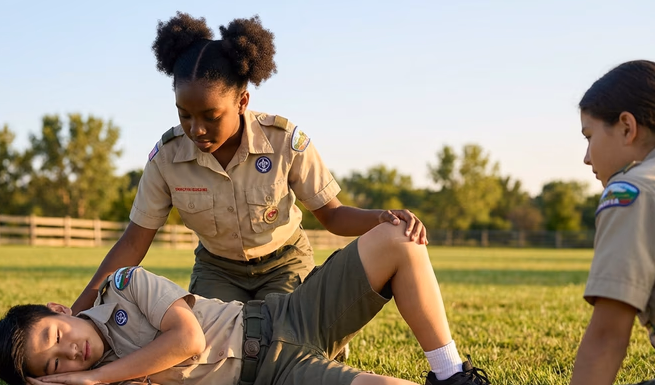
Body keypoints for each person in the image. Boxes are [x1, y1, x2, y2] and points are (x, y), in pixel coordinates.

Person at [0, 223, 564, 385]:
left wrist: (95, 379)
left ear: (62, 310)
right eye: (55, 365)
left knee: (395, 241)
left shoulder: (121, 287)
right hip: (276, 375)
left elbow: (186, 337)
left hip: (286, 311)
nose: (71, 355)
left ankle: (449, 370)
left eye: (55, 336)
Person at [69, 12, 426, 318]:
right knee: (211, 348)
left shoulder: (284, 141)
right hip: (218, 270)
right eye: (184, 115)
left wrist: (380, 217)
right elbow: (134, 242)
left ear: (242, 101)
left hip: (284, 262)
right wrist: (81, 310)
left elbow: (333, 216)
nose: (196, 129)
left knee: (289, 341)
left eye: (210, 116)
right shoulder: (167, 157)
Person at [519, 60, 655, 385]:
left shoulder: (635, 191)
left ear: (627, 126)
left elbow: (607, 338)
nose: (587, 157)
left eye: (589, 136)